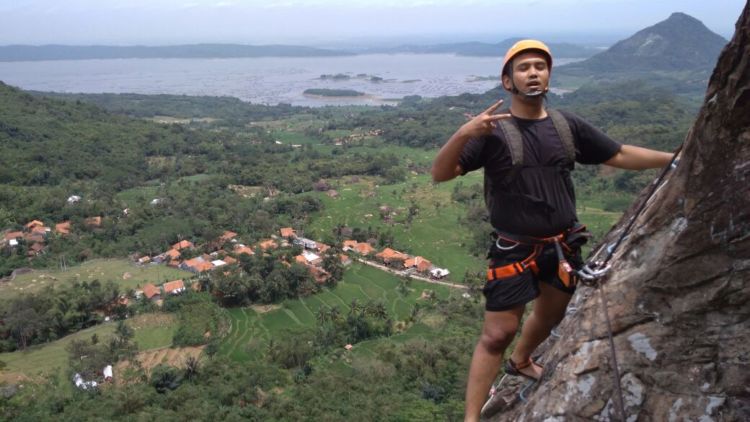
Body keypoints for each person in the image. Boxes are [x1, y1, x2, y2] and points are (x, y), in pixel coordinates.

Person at [430, 39, 674, 421]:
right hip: (514, 248)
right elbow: (440, 173)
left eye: (540, 67)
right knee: (496, 334)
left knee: (549, 316)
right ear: (507, 81)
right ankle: (472, 417)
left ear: (548, 76)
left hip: (561, 247)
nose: (533, 73)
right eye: (524, 67)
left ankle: (522, 359)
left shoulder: (566, 126)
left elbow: (619, 154)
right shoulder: (491, 133)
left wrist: (677, 158)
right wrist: (463, 134)